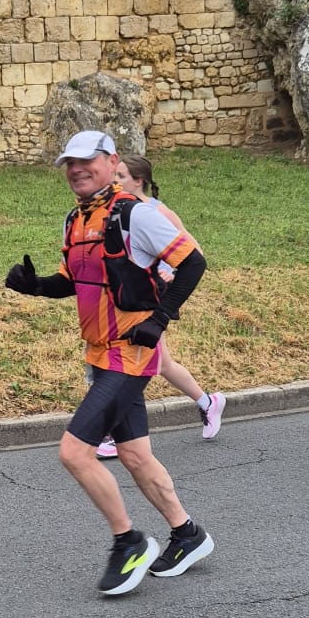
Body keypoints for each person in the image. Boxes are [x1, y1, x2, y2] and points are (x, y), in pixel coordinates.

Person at [4, 130, 214, 597]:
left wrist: (159, 320)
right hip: (99, 352)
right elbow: (71, 281)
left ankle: (129, 543)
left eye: (87, 161)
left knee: (74, 453)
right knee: (134, 454)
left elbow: (193, 262)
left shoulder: (136, 214)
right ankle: (187, 534)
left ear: (110, 161)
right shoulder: (75, 219)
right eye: (69, 163)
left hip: (130, 352)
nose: (76, 170)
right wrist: (35, 286)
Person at [111, 156, 225, 447]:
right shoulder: (117, 210)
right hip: (131, 295)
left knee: (134, 361)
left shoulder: (156, 210)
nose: (115, 182)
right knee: (160, 362)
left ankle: (113, 430)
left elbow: (194, 251)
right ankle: (208, 402)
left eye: (121, 176)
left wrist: (171, 272)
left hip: (153, 296)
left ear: (138, 181)